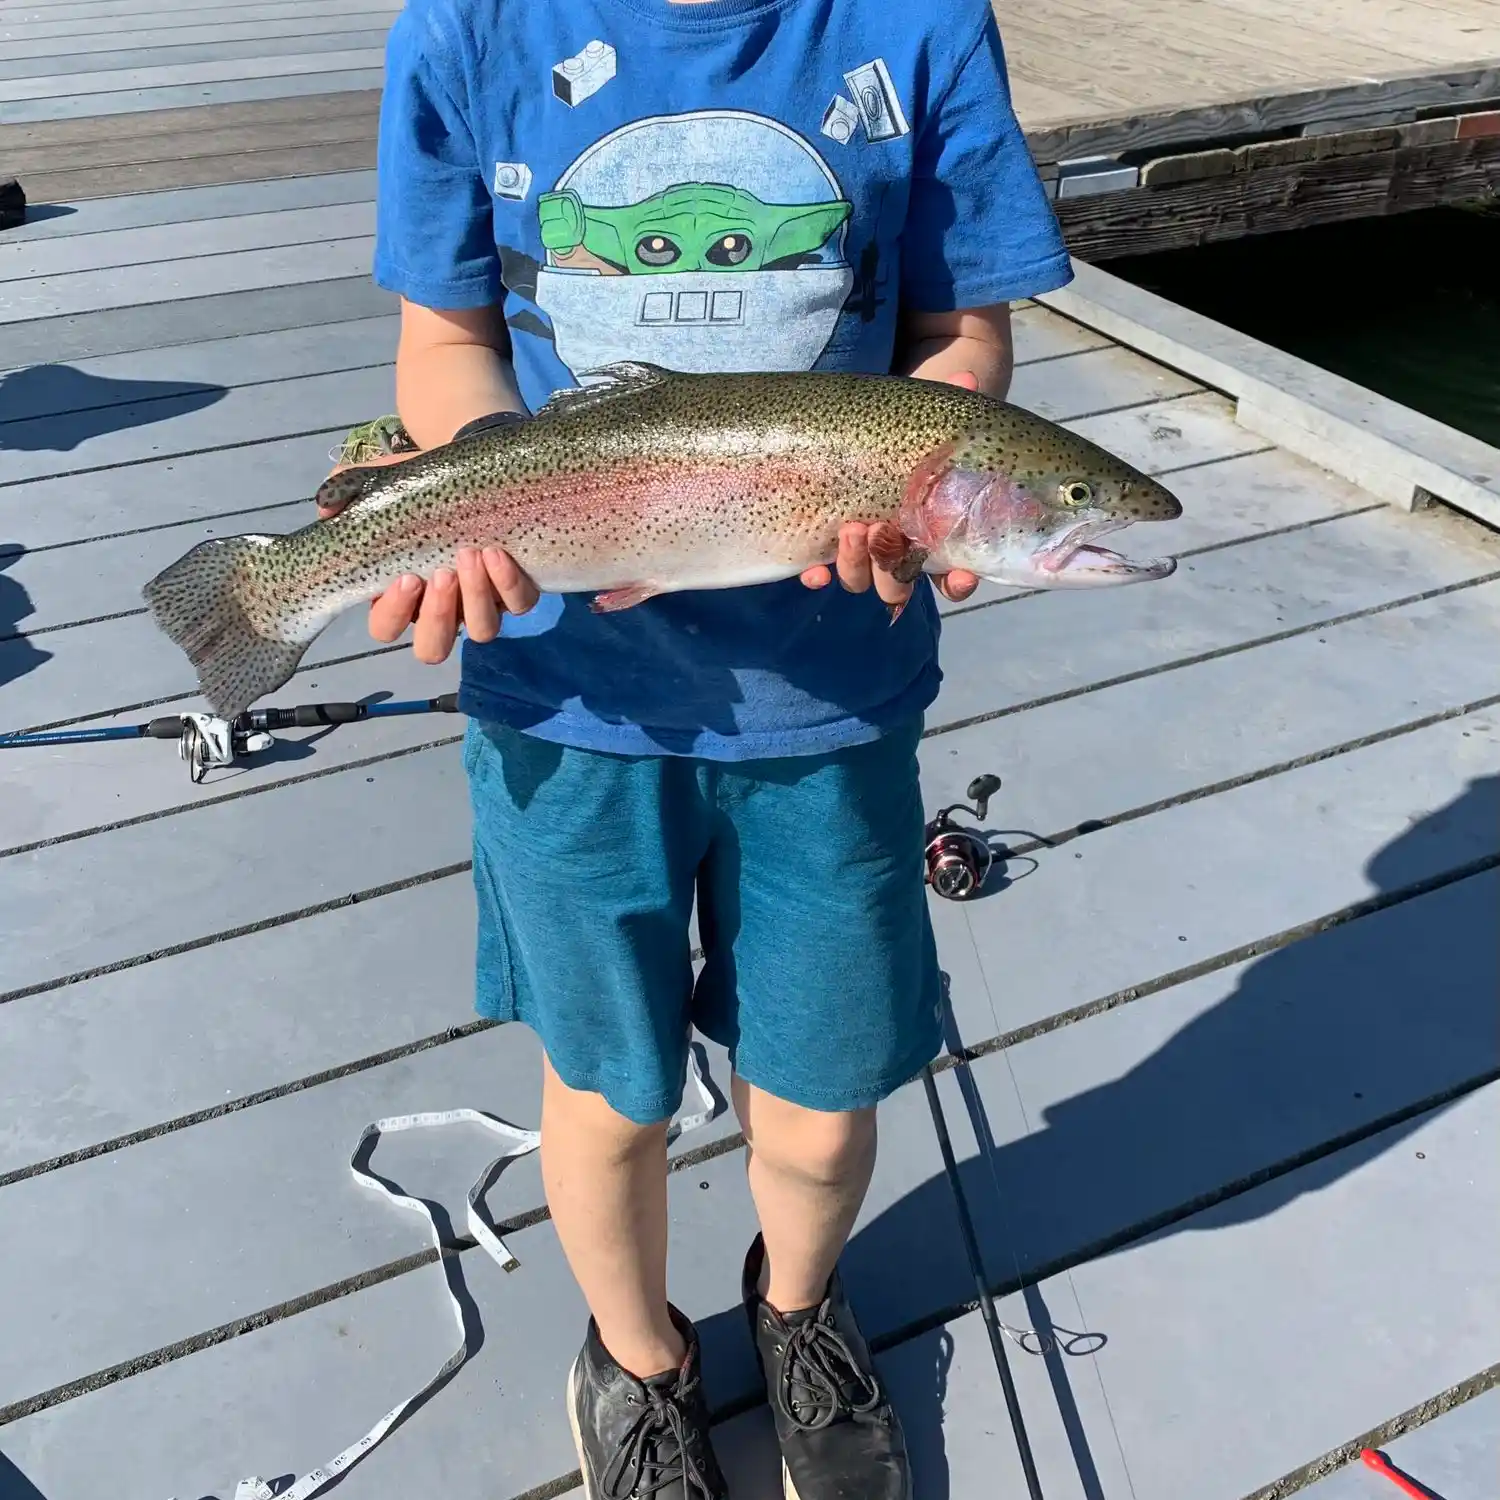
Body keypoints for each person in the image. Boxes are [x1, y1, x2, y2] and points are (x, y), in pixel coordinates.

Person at [318, 1, 1071, 1494]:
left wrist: (927, 451)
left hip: (835, 705)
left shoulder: (917, 27)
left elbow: (962, 327)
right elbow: (450, 338)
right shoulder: (464, 31)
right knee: (609, 1090)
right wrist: (474, 503)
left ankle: (796, 1310)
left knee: (825, 1085)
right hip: (562, 706)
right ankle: (640, 1360)